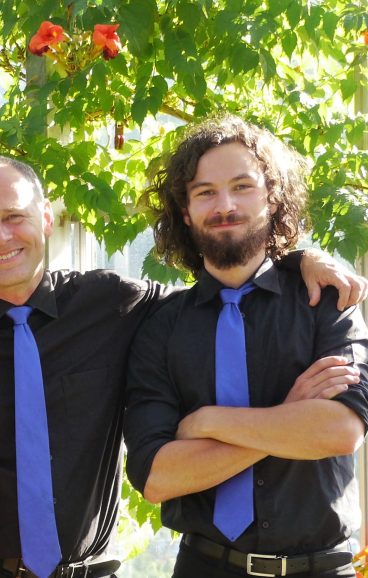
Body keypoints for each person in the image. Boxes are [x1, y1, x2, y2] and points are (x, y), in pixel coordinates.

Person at [0, 154, 367, 578]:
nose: (1, 237)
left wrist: (296, 258)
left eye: (16, 216)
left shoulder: (118, 304)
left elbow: (223, 274)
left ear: (46, 220)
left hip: (91, 573)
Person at [124, 116, 368, 577]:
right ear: (185, 212)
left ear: (272, 197)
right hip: (205, 566)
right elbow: (157, 477)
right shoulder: (160, 328)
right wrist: (289, 415)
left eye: (242, 186)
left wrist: (209, 422)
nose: (225, 205)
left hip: (321, 568)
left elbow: (339, 431)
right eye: (205, 192)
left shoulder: (326, 300)